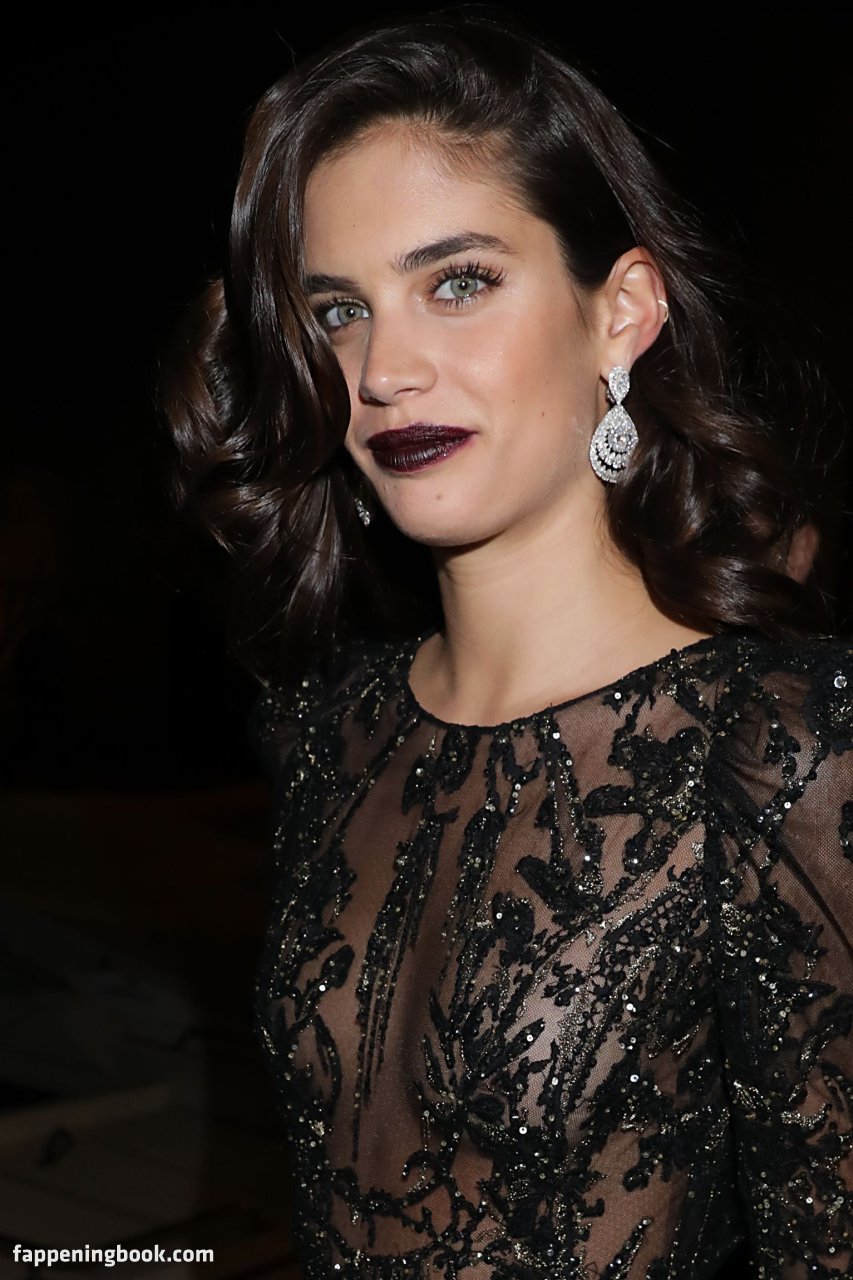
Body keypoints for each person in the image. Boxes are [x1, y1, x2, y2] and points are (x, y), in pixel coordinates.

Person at [161, 13, 852, 1278]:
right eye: (338, 310)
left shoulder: (781, 749)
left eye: (458, 281)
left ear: (622, 312)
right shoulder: (329, 724)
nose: (383, 369)